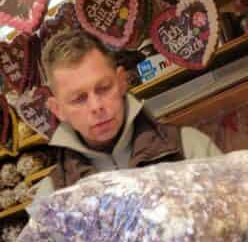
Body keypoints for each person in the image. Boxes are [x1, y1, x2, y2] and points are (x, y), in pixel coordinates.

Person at [33, 29, 221, 199]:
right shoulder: (51, 197)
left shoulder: (190, 148)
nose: (96, 106)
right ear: (58, 110)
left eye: (104, 88)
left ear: (122, 81)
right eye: (79, 99)